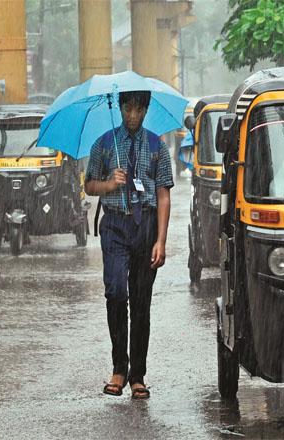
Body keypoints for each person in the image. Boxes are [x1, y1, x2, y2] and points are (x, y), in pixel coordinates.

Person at [85, 91, 173, 398]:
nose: (132, 115)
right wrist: (110, 183)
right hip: (115, 225)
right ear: (120, 107)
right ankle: (118, 369)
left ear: (146, 110)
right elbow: (89, 184)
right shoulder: (104, 144)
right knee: (116, 293)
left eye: (138, 109)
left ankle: (138, 375)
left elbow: (163, 194)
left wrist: (160, 240)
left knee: (140, 302)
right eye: (127, 108)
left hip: (145, 226)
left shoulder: (157, 146)